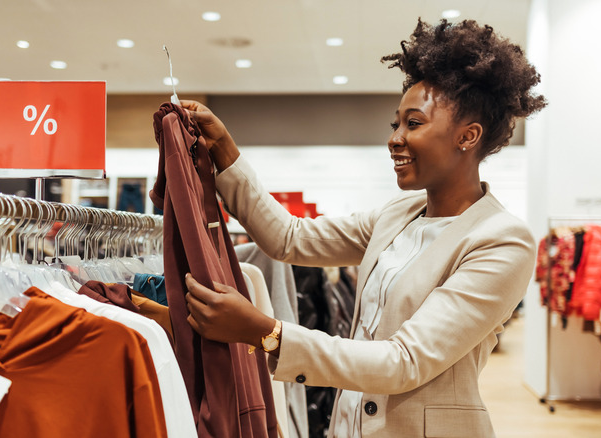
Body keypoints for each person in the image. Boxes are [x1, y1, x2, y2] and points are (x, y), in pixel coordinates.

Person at [182, 18, 546, 438]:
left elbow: (404, 362)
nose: (394, 138)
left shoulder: (501, 241)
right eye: (396, 124)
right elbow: (290, 239)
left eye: (413, 123)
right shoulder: (398, 214)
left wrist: (267, 333)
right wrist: (226, 153)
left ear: (468, 136)